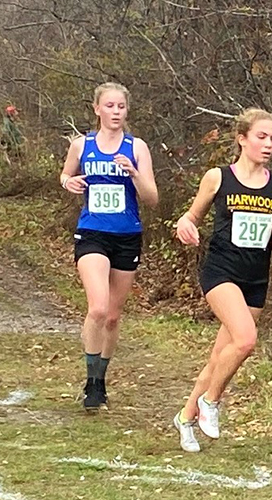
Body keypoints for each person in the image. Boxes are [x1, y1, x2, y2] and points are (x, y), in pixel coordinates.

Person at [172, 108, 272, 452]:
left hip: (255, 278)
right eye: (261, 137)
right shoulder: (218, 177)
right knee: (245, 340)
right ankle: (211, 403)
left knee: (218, 359)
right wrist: (186, 225)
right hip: (221, 272)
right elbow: (191, 216)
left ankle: (185, 417)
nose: (268, 144)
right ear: (242, 138)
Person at [60, 83, 159, 412]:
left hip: (127, 235)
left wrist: (133, 173)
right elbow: (66, 175)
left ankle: (101, 380)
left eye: (121, 107)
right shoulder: (82, 145)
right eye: (110, 106)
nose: (116, 112)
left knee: (114, 317)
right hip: (92, 233)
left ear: (127, 111)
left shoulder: (137, 147)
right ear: (97, 109)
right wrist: (68, 182)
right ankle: (90, 382)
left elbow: (152, 198)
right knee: (98, 308)